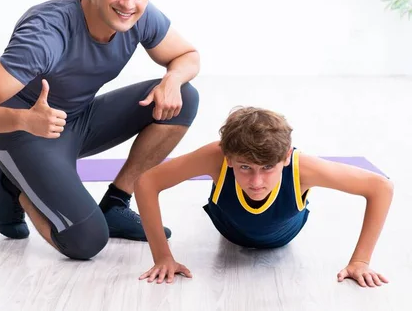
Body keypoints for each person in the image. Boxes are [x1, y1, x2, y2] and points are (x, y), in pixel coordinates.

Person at [0, 0, 200, 261]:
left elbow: (188, 55)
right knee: (86, 241)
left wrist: (173, 79)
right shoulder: (46, 33)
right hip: (25, 133)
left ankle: (116, 203)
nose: (129, 2)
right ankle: (16, 185)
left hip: (76, 120)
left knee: (185, 98)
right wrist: (24, 119)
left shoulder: (138, 16)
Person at [134, 106, 394, 287]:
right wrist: (162, 257)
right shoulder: (216, 157)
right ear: (229, 157)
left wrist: (360, 260)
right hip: (228, 225)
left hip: (282, 234)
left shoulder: (303, 168)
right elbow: (146, 183)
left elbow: (381, 188)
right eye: (245, 167)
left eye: (268, 168)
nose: (256, 182)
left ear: (286, 157)